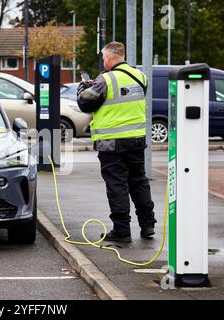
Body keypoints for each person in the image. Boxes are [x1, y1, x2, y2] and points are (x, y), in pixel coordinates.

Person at [77, 42, 156, 243]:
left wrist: (83, 87)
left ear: (110, 57)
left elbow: (85, 103)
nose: (103, 61)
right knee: (139, 182)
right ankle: (148, 225)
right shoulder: (141, 76)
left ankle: (122, 230)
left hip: (111, 144)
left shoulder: (105, 79)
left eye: (104, 58)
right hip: (137, 140)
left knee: (117, 185)